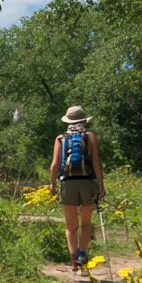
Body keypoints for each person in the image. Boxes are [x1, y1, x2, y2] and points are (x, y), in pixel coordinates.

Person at [49, 105, 105, 271]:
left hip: (67, 183)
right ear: (84, 121)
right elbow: (96, 162)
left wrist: (52, 184)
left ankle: (74, 259)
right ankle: (82, 252)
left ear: (68, 121)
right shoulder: (90, 137)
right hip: (87, 182)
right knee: (86, 224)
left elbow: (54, 165)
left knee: (70, 226)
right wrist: (101, 186)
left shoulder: (60, 138)